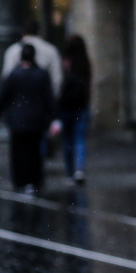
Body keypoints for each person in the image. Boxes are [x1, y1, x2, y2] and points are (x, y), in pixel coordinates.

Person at [0, 43, 55, 193]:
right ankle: (33, 180)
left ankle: (20, 179)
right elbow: (48, 98)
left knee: (18, 151)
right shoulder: (41, 74)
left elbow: (4, 96)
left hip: (17, 119)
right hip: (36, 119)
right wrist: (52, 116)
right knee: (34, 151)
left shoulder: (14, 75)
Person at [59, 34, 92, 184]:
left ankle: (69, 171)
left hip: (66, 106)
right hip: (82, 105)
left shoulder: (65, 63)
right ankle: (79, 170)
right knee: (79, 139)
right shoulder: (85, 63)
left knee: (67, 140)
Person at [2, 19, 63, 99]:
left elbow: (7, 77)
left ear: (23, 32)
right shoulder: (51, 50)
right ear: (38, 31)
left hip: (19, 102)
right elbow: (57, 79)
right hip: (42, 101)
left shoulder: (13, 51)